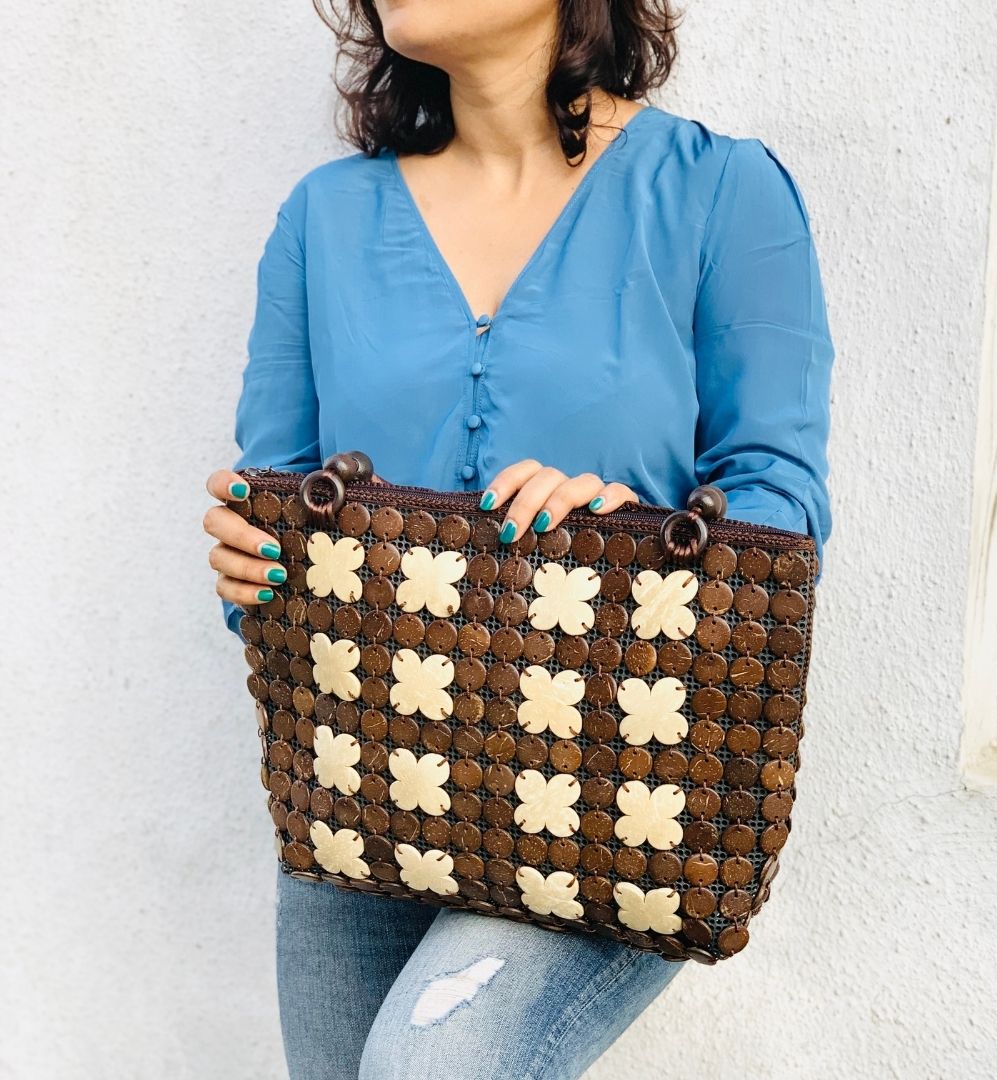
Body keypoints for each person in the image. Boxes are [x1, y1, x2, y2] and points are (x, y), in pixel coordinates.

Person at [202, 1, 834, 1077]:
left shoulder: (721, 194)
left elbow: (781, 499)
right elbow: (278, 501)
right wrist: (245, 557)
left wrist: (629, 536)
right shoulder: (323, 220)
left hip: (616, 789)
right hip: (360, 785)